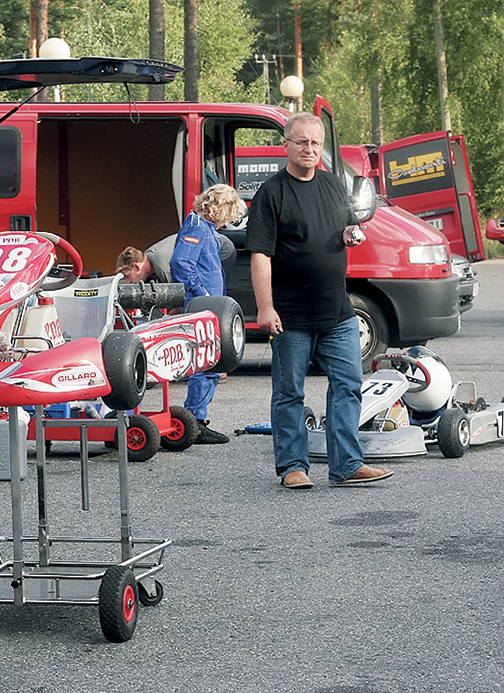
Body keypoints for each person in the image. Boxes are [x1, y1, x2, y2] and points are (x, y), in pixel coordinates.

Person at [245, 112, 393, 489]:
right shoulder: (271, 193)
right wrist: (265, 307)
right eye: (301, 142)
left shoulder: (332, 185)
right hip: (290, 314)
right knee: (290, 392)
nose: (309, 149)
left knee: (348, 385)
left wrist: (350, 234)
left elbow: (341, 228)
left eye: (315, 143)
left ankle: (347, 465)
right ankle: (293, 466)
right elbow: (260, 255)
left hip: (338, 311)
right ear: (286, 145)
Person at [115, 184, 246, 445]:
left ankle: (197, 418)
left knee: (211, 361)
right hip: (205, 305)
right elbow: (181, 263)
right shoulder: (197, 226)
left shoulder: (203, 227)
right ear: (220, 209)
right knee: (205, 362)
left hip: (209, 303)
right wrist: (200, 293)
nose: (226, 223)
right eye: (227, 216)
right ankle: (196, 420)